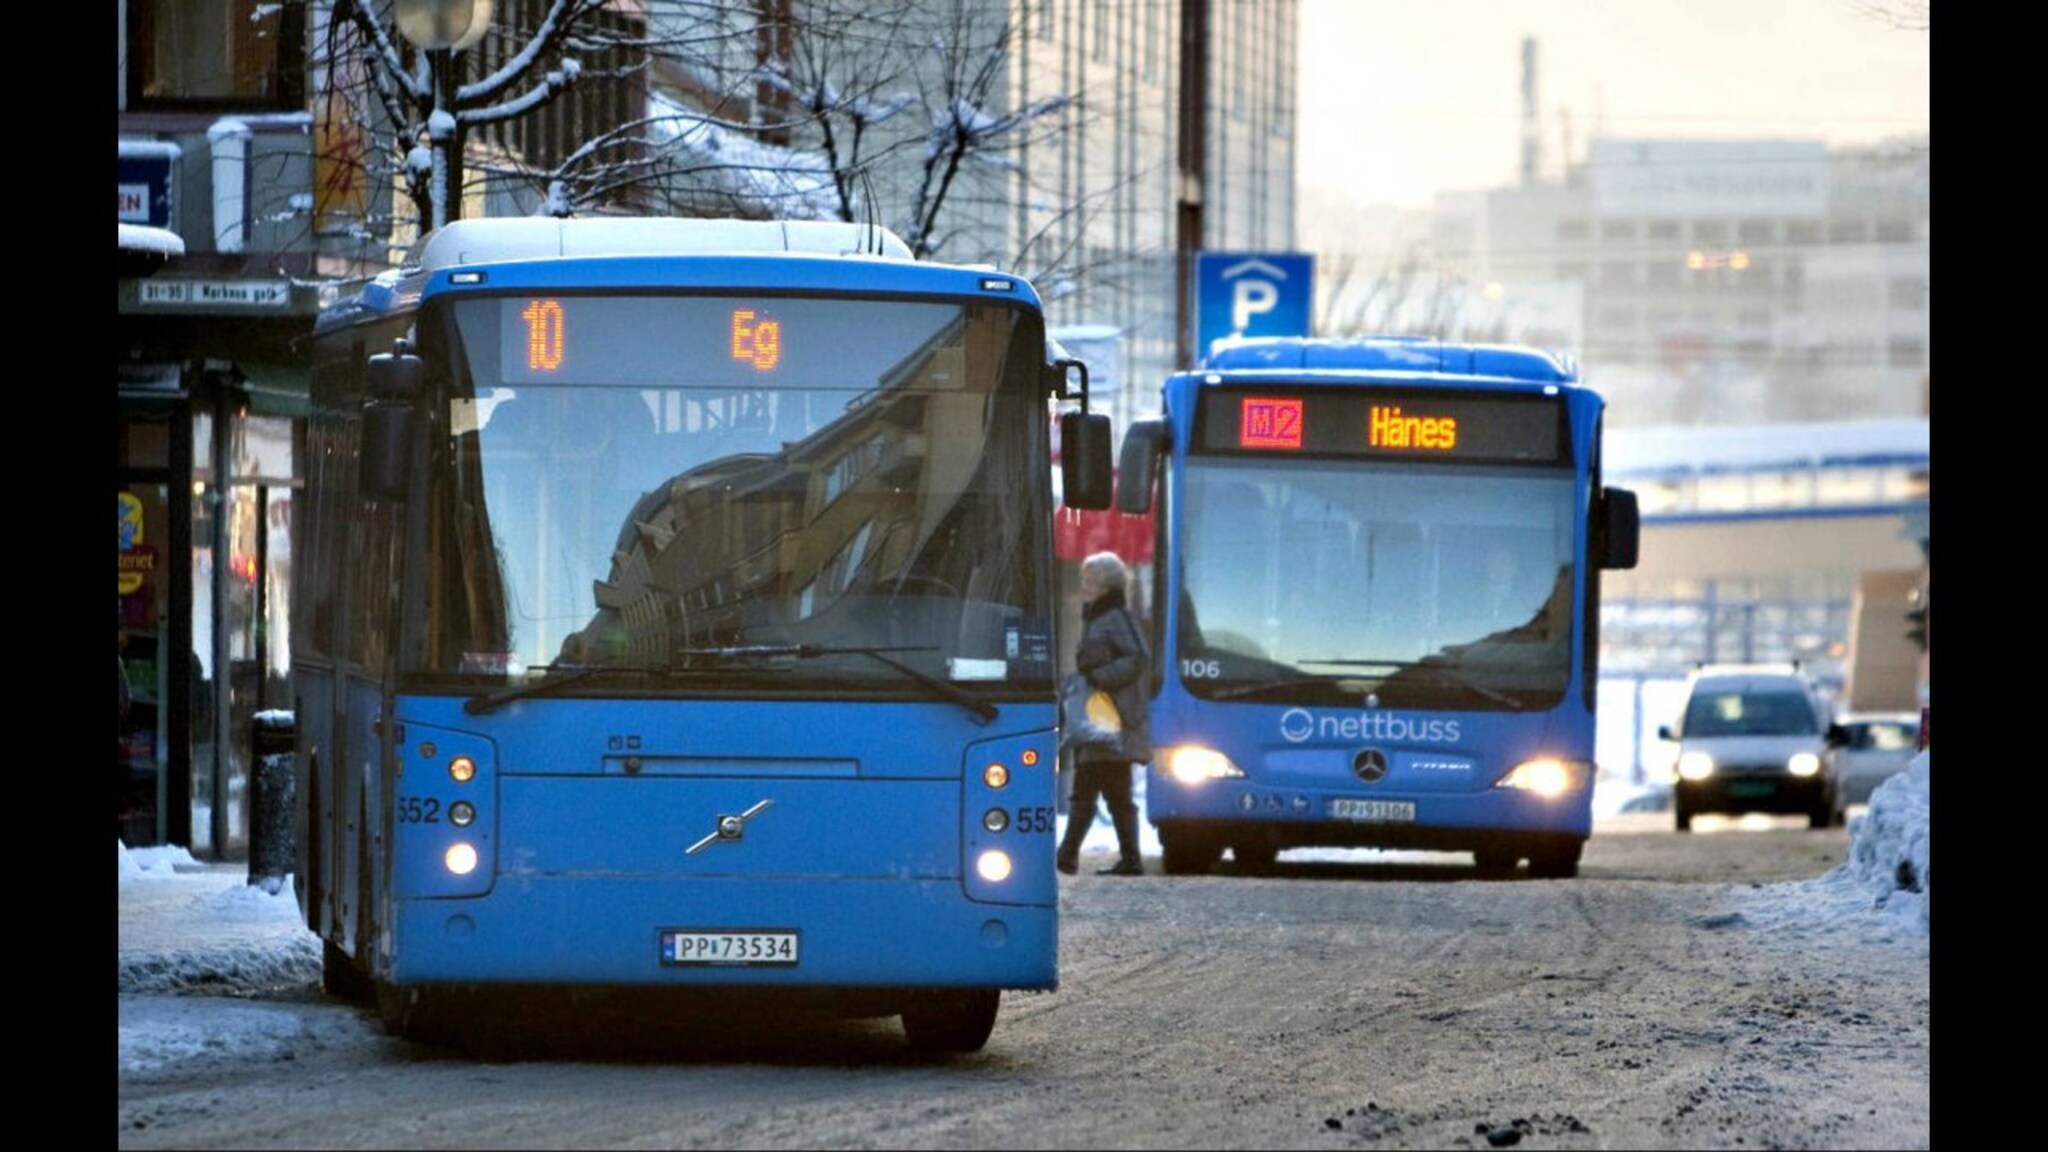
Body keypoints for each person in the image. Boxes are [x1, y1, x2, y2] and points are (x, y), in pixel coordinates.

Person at [1057, 551, 1153, 877]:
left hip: (1109, 721)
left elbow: (1138, 656)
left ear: (1106, 584)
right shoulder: (1099, 616)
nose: (1084, 586)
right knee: (1109, 793)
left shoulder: (1114, 616)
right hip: (1102, 720)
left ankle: (1069, 855)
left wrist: (1102, 678)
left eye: (1090, 580)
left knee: (1094, 791)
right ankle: (1120, 858)